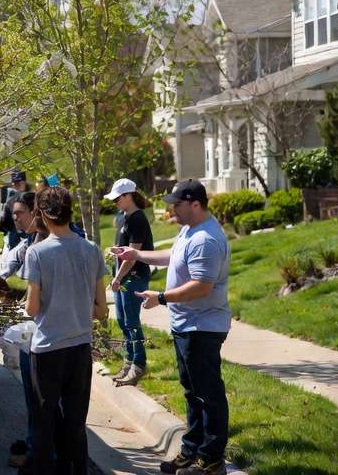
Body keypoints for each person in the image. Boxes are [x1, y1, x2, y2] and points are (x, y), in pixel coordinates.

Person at [113, 180, 231, 475]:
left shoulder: (206, 238)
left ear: (195, 204)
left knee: (208, 393)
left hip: (202, 328)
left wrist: (162, 298)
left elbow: (202, 287)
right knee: (193, 392)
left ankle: (212, 459)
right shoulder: (189, 231)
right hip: (187, 325)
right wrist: (136, 255)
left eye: (176, 204)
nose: (171, 209)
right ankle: (192, 450)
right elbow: (172, 257)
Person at [20, 186, 108, 475]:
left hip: (47, 349)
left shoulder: (36, 253)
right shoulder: (92, 249)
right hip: (80, 348)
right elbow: (101, 310)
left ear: (43, 214)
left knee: (44, 423)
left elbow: (32, 309)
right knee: (75, 423)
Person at [0, 190, 39, 469]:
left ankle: (40, 452)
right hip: (33, 333)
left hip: (44, 334)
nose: (15, 218)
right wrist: (3, 276)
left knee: (40, 397)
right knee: (33, 398)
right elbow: (9, 264)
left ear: (37, 212)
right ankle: (35, 443)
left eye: (20, 213)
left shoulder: (44, 245)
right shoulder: (30, 241)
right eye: (13, 213)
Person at [104, 177, 154, 386]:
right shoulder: (124, 217)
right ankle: (128, 361)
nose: (114, 202)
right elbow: (125, 249)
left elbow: (133, 255)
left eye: (117, 198)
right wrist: (115, 251)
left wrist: (117, 277)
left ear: (128, 196)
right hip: (123, 277)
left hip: (133, 278)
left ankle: (139, 364)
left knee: (132, 322)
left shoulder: (137, 219)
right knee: (124, 322)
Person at [0, 170, 32, 250]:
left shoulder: (34, 198)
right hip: (15, 236)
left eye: (18, 183)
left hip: (31, 234)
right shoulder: (11, 201)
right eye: (15, 184)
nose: (16, 186)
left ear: (24, 182)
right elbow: (5, 221)